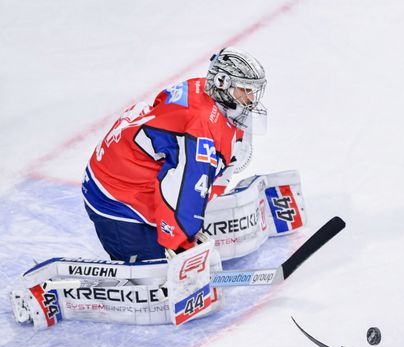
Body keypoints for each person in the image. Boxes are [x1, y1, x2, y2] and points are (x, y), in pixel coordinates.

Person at [81, 47, 267, 262]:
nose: (251, 99)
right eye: (245, 90)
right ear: (222, 82)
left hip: (122, 166)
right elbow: (182, 187)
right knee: (156, 272)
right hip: (115, 197)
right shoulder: (202, 127)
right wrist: (180, 242)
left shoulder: (202, 88)